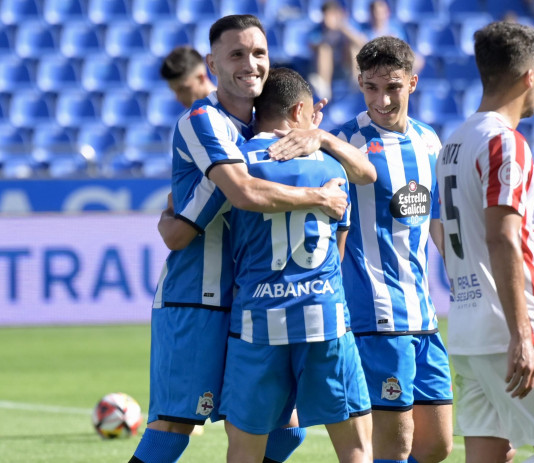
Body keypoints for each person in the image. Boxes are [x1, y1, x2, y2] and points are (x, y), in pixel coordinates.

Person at [130, 14, 375, 463]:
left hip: (254, 301)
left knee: (285, 428)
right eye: (237, 54)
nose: (251, 63)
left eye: (259, 53)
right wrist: (315, 196)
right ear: (212, 64)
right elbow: (239, 194)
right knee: (176, 422)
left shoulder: (259, 132)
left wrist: (318, 136)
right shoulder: (204, 120)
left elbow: (363, 172)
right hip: (198, 297)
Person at [437, 21, 534, 463]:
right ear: (529, 76)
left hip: (466, 331)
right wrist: (522, 335)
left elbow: (441, 231)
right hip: (513, 331)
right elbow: (503, 238)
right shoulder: (505, 143)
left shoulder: (454, 142)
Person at [221, 66, 373, 463]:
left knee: (244, 449)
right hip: (324, 317)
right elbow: (338, 250)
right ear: (299, 111)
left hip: (257, 322)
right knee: (355, 446)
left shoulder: (237, 164)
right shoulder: (331, 167)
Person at [333, 36, 453, 463]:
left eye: (393, 87)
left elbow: (434, 219)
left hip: (423, 312)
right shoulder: (344, 143)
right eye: (371, 87)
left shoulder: (430, 142)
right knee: (394, 444)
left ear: (413, 83)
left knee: (436, 446)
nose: (382, 99)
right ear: (360, 84)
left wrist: (459, 273)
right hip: (375, 315)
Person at [307, 0, 366, 99]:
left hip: (344, 64)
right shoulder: (319, 29)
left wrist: (342, 28)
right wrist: (328, 33)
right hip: (326, 66)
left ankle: (356, 81)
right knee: (324, 49)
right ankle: (324, 87)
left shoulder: (347, 25)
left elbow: (362, 43)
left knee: (353, 47)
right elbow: (312, 46)